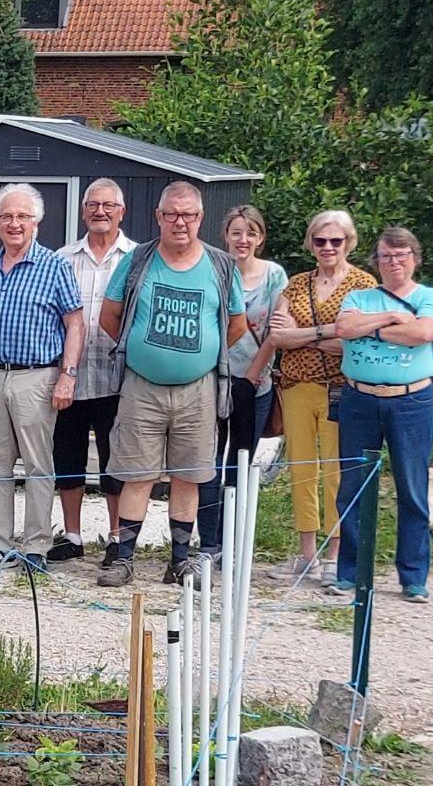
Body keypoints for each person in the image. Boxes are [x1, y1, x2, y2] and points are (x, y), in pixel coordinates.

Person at [95, 181, 247, 587]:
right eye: (172, 214)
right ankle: (124, 558)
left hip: (198, 389)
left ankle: (179, 560)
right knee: (136, 474)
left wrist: (199, 358)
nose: (180, 222)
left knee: (189, 476)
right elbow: (109, 316)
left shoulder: (220, 266)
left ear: (200, 218)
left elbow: (237, 324)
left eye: (189, 215)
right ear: (159, 216)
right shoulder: (139, 259)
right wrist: (143, 352)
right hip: (142, 387)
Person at [0, 183, 83, 573]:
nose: (15, 224)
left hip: (37, 378)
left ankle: (36, 547)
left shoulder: (55, 266)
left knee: (36, 465)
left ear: (37, 222)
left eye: (23, 217)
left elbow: (75, 323)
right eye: (7, 216)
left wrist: (68, 375)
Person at [329, 228, 433, 602]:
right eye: (385, 256)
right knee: (353, 488)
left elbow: (424, 332)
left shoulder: (429, 297)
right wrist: (393, 321)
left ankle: (413, 577)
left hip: (411, 402)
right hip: (359, 399)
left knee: (411, 489)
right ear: (375, 261)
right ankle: (351, 572)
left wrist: (372, 329)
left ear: (415, 257)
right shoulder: (358, 296)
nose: (394, 262)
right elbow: (344, 328)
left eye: (401, 255)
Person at [267, 210, 376, 579]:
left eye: (336, 241)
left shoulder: (364, 285)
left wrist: (307, 332)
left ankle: (335, 553)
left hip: (340, 388)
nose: (328, 247)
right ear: (310, 243)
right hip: (296, 385)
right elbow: (279, 336)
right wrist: (327, 332)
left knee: (336, 471)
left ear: (349, 242)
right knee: (300, 469)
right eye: (320, 240)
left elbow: (358, 339)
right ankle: (306, 552)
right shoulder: (297, 284)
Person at [50, 179, 135, 562]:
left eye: (108, 205)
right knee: (66, 459)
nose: (100, 211)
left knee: (115, 460)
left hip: (120, 378)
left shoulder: (137, 257)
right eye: (93, 205)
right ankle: (72, 536)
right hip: (70, 376)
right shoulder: (62, 258)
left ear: (122, 211)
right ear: (83, 210)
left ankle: (117, 538)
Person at [198, 205, 289, 561]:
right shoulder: (213, 270)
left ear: (260, 238)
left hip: (255, 382)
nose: (243, 240)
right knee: (207, 464)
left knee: (239, 463)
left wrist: (254, 373)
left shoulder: (274, 276)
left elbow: (275, 331)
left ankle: (233, 543)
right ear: (226, 236)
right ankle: (208, 542)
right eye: (236, 232)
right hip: (212, 379)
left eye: (250, 233)